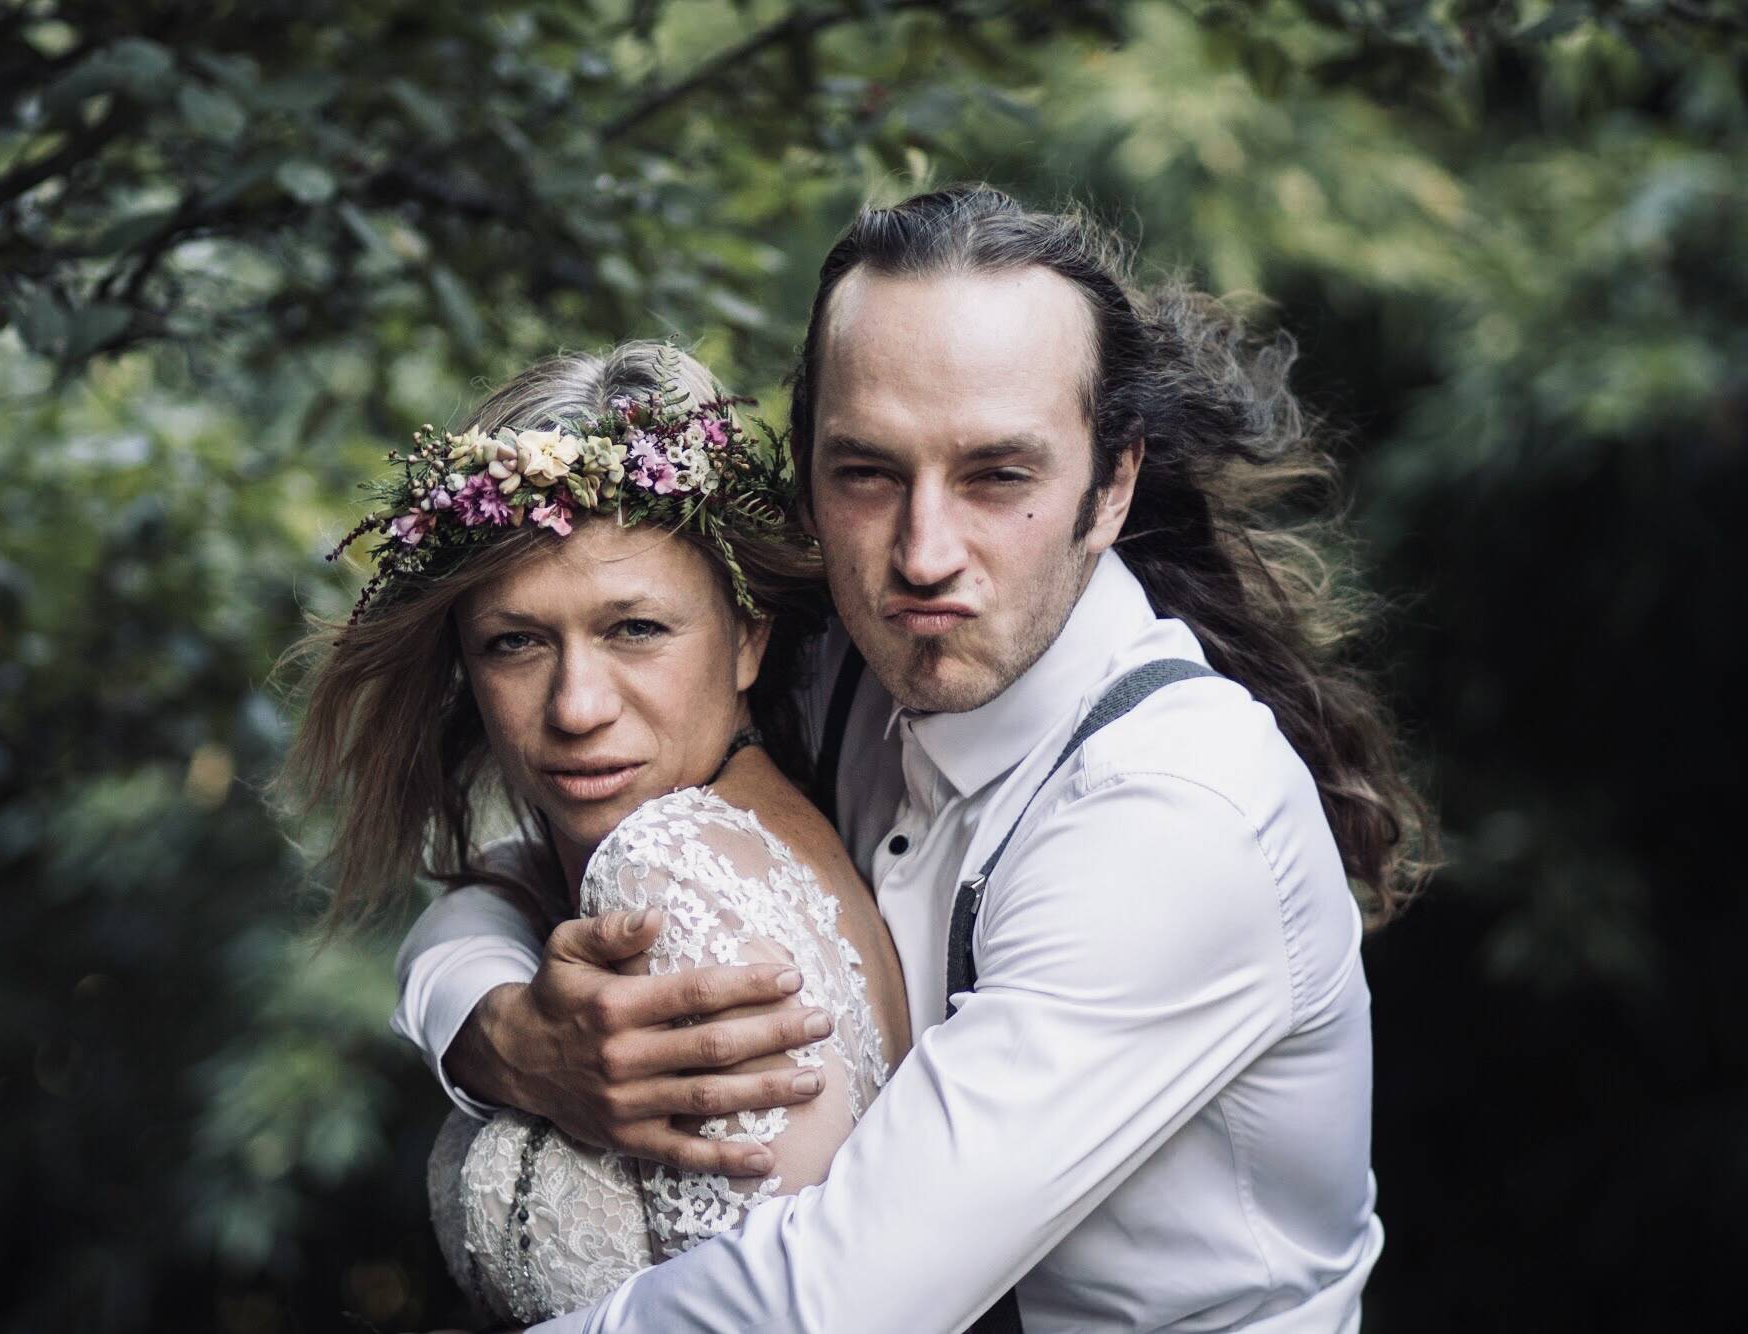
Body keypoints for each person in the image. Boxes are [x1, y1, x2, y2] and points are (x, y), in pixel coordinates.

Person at [396, 185, 1434, 1332]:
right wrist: (497, 1031)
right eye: (868, 474)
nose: (924, 553)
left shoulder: (1173, 816)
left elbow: (838, 1299)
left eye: (998, 476)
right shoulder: (845, 657)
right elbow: (512, 866)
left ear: (1113, 482)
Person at [274, 342, 914, 1328]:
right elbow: (479, 901)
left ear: (749, 635)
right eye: (516, 642)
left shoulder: (668, 871)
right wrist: (491, 1028)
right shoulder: (756, 824)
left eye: (636, 629)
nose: (576, 706)